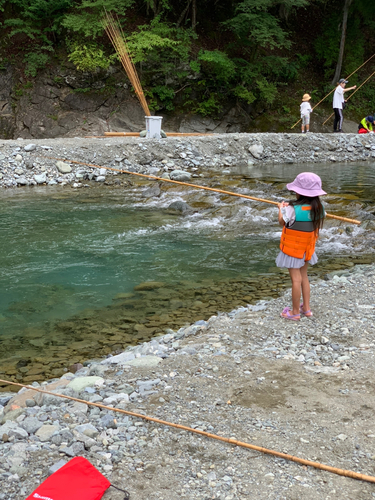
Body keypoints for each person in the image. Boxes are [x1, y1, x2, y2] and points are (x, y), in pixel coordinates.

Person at [276, 172, 326, 321]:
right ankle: (307, 309)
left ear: (298, 192)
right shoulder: (319, 208)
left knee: (296, 279)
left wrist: (280, 209)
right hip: (307, 249)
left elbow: (281, 222)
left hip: (293, 250)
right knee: (304, 277)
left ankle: (295, 312)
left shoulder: (291, 209)